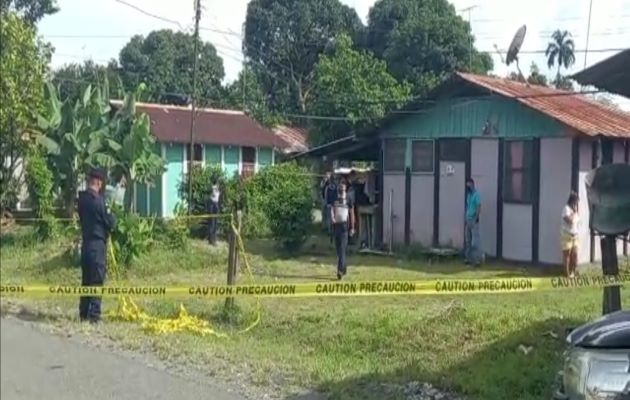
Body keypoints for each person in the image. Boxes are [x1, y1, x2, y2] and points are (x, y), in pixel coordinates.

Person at [77, 167, 116, 323]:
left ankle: (83, 313)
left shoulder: (81, 199)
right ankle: (94, 316)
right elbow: (111, 222)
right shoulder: (100, 202)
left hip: (85, 244)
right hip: (97, 245)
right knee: (97, 280)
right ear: (99, 182)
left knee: (86, 280)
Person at [331, 182, 355, 280]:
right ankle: (343, 268)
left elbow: (352, 213)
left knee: (342, 249)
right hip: (336, 226)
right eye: (340, 189)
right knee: (338, 250)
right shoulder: (335, 199)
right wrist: (332, 217)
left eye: (343, 189)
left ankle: (339, 271)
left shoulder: (348, 199)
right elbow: (332, 209)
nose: (341, 191)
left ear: (345, 190)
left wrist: (352, 227)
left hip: (345, 226)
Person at [561, 191, 580, 278]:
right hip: (566, 235)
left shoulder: (574, 210)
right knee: (567, 255)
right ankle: (567, 274)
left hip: (575, 235)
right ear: (572, 201)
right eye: (576, 202)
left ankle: (573, 272)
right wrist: (573, 212)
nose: (576, 204)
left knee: (575, 254)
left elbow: (577, 222)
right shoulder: (566, 209)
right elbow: (569, 221)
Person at [464, 178, 482, 267]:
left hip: (474, 220)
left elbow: (478, 207)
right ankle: (468, 259)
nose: (468, 187)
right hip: (468, 219)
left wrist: (476, 218)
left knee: (475, 241)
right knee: (468, 240)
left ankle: (477, 260)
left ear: (472, 184)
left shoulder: (476, 194)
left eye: (469, 185)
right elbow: (468, 206)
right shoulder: (469, 195)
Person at [322, 172, 337, 243]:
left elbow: (325, 195)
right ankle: (331, 231)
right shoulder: (335, 186)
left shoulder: (327, 187)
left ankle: (330, 231)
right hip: (333, 205)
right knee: (331, 219)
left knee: (330, 218)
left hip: (330, 205)